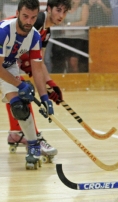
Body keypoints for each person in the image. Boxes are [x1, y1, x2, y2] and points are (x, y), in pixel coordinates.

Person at [6, 0, 71, 160]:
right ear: (48, 9)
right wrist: (26, 63)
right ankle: (29, 136)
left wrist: (49, 85)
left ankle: (20, 134)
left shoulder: (45, 32)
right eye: (58, 10)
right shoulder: (37, 22)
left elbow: (38, 63)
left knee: (19, 95)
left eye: (64, 12)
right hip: (4, 59)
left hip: (8, 63)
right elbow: (16, 44)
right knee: (21, 88)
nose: (61, 15)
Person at [0, 0, 55, 169]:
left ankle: (33, 145)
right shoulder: (3, 31)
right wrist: (20, 84)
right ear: (17, 14)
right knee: (20, 91)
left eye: (33, 17)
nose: (29, 21)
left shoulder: (35, 37)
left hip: (7, 66)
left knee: (19, 106)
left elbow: (37, 70)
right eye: (25, 16)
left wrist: (44, 97)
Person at [51, 0, 89, 73]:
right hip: (66, 37)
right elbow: (60, 20)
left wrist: (68, 25)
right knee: (68, 62)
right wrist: (63, 25)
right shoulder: (65, 7)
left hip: (79, 37)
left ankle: (77, 82)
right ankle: (70, 81)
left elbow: (83, 23)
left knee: (73, 62)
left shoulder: (84, 6)